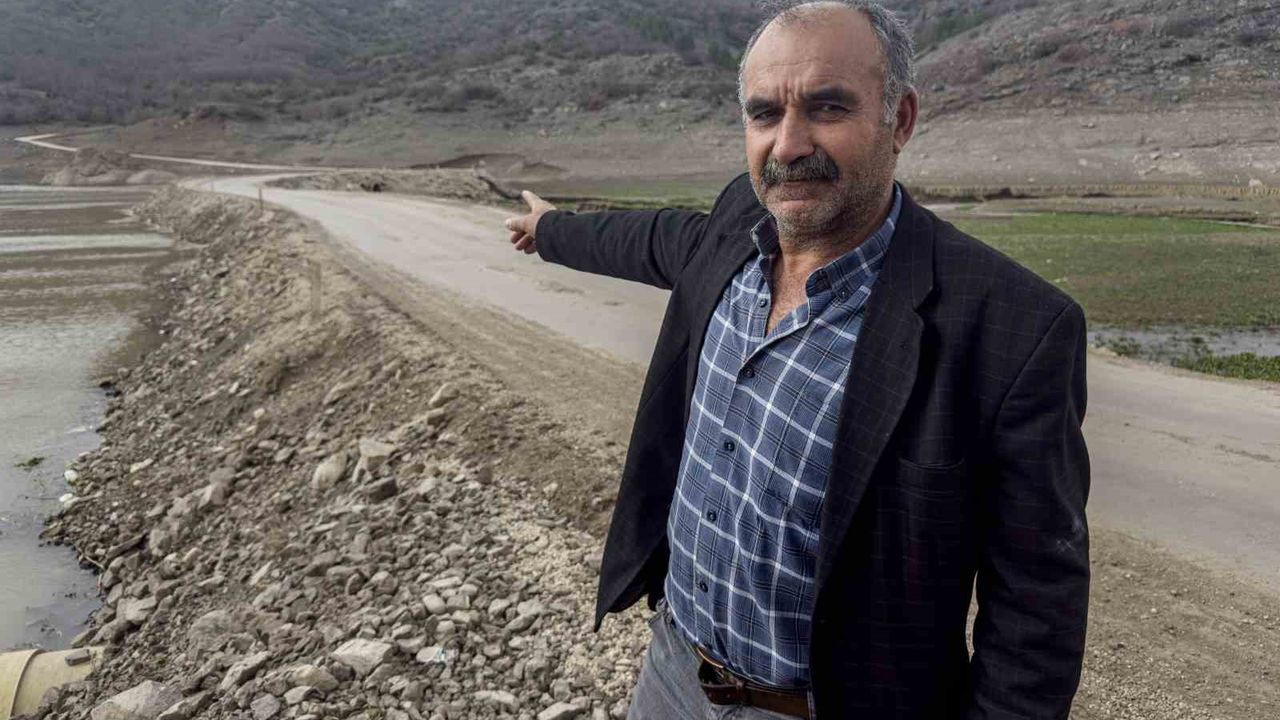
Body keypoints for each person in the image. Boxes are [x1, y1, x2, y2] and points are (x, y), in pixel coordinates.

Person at [503, 1, 1090, 718]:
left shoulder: (1009, 328)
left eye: (827, 107)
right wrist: (550, 230)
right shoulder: (736, 225)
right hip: (674, 669)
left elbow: (1036, 610)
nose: (788, 144)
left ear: (900, 120)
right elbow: (650, 240)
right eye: (764, 114)